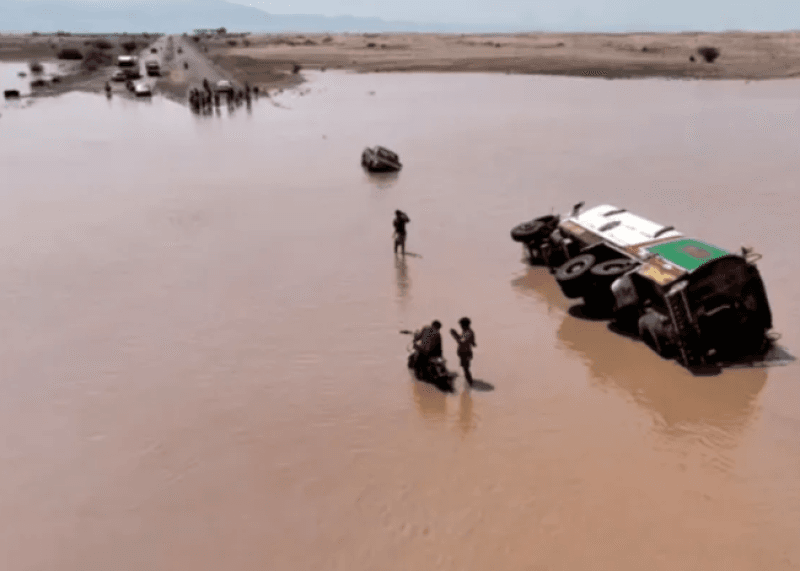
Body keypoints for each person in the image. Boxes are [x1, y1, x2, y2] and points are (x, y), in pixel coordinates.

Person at [450, 317, 477, 387]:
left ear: (464, 325)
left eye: (461, 325)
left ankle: (470, 384)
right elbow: (473, 343)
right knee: (465, 368)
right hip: (464, 353)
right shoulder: (467, 331)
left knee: (466, 369)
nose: (460, 326)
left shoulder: (468, 332)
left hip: (466, 353)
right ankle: (468, 383)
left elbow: (462, 342)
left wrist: (455, 335)